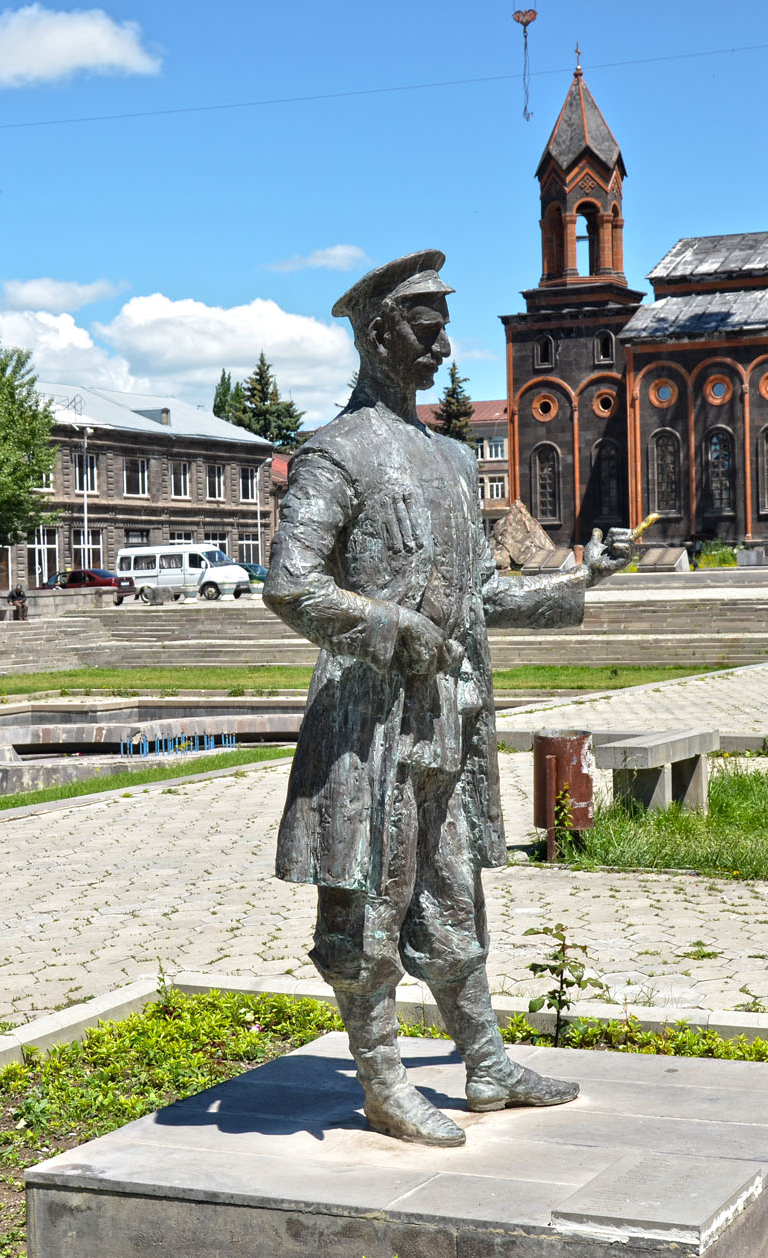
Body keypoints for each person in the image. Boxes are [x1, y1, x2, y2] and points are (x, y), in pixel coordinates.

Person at [265, 250, 634, 1148]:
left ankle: (485, 1059)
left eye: (441, 326)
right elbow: (289, 583)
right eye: (423, 326)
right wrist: (393, 629)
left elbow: (478, 597)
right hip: (372, 727)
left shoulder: (449, 457)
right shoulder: (336, 452)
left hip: (450, 721)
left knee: (454, 891)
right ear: (377, 330)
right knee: (372, 899)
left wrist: (581, 579)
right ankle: (383, 1078)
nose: (439, 344)